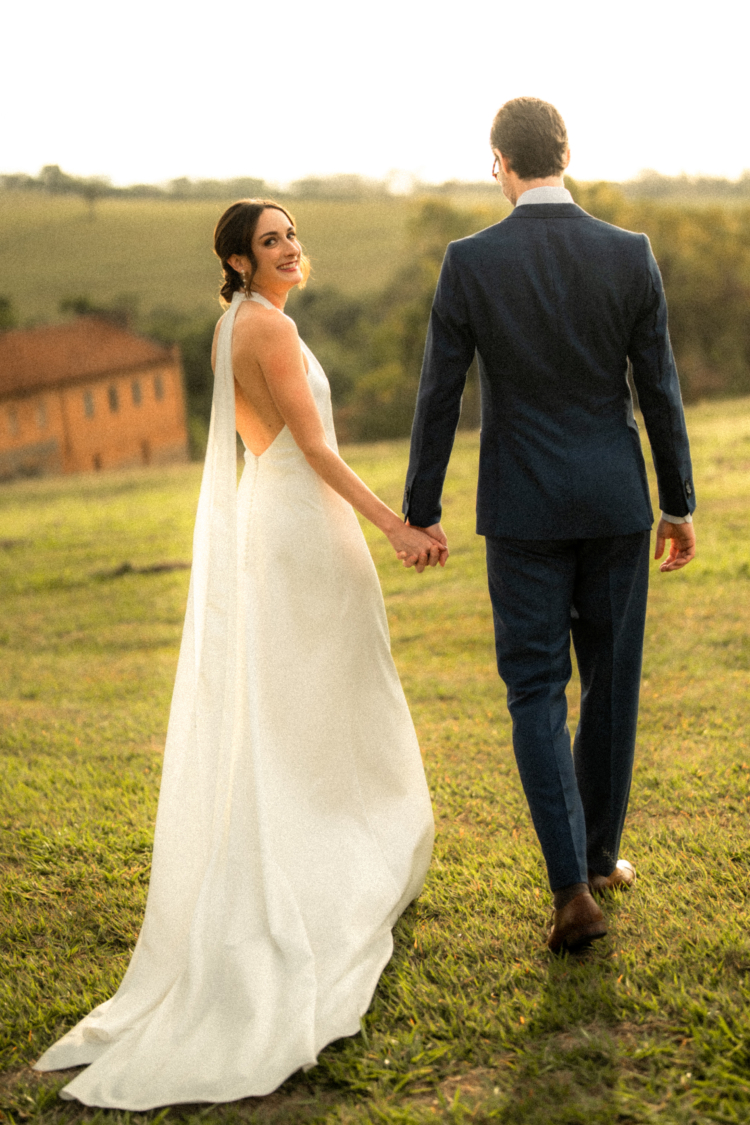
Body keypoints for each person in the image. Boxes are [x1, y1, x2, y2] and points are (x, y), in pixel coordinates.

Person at [34, 200, 440, 1108]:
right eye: (270, 240)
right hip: (306, 523)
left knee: (299, 702)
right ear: (239, 260)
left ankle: (319, 835)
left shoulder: (231, 328)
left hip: (271, 521)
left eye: (291, 233)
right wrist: (396, 527)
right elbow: (318, 450)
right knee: (340, 691)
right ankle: (337, 856)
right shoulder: (273, 335)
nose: (290, 246)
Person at [403, 98, 696, 954]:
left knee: (535, 689)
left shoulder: (468, 262)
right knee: (610, 680)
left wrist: (423, 508)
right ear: (567, 151)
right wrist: (676, 501)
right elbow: (660, 389)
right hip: (614, 501)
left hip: (523, 509)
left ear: (499, 161)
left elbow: (437, 397)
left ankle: (572, 887)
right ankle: (602, 856)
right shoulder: (629, 253)